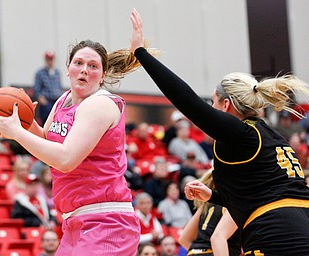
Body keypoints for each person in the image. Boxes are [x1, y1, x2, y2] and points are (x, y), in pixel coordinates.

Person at [129, 9, 309, 255]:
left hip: (275, 233)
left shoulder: (242, 132)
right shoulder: (271, 136)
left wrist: (141, 54)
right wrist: (214, 195)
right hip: (299, 226)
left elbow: (188, 101)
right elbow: (263, 193)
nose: (211, 109)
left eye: (213, 103)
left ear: (226, 105)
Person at [0, 39, 153, 255]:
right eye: (79, 63)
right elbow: (47, 146)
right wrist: (25, 123)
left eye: (93, 66)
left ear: (103, 75)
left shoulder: (100, 104)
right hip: (74, 222)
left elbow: (65, 160)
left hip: (107, 222)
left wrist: (17, 133)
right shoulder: (62, 101)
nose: (84, 70)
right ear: (68, 69)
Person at [178, 169, 241, 256]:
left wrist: (199, 252)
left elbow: (183, 239)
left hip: (193, 252)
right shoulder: (234, 205)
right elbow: (217, 238)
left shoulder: (205, 205)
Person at [33, 50, 64, 124]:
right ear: (46, 60)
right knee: (46, 123)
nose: (50, 61)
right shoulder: (40, 73)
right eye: (48, 59)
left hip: (56, 101)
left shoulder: (57, 72)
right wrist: (43, 101)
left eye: (51, 59)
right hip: (47, 102)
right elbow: (37, 89)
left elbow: (59, 86)